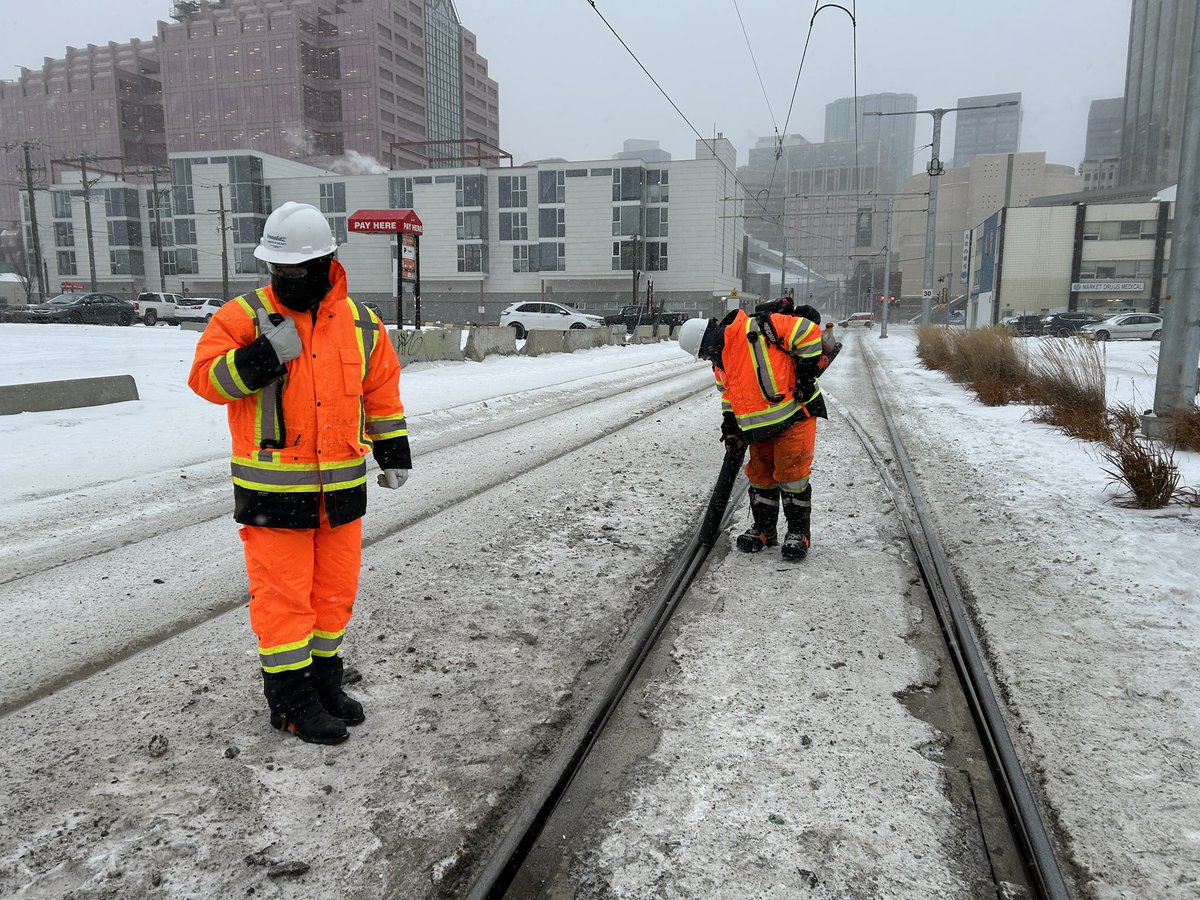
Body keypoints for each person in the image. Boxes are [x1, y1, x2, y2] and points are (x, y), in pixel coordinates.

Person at [188, 201, 411, 745]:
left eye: (296, 269)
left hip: (341, 490)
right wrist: (264, 354)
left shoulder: (361, 322)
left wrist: (394, 450)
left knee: (334, 594)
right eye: (277, 269)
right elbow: (205, 381)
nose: (285, 279)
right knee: (284, 599)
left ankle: (323, 683)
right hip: (272, 494)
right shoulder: (242, 317)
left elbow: (379, 390)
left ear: (325, 263)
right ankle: (290, 703)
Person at [679, 298, 839, 561]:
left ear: (708, 340)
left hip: (795, 414)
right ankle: (764, 530)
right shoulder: (720, 361)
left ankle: (798, 534)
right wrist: (730, 424)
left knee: (792, 476)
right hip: (760, 428)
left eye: (704, 352)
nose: (707, 357)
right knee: (760, 476)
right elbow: (727, 394)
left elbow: (808, 332)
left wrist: (805, 374)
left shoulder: (760, 327)